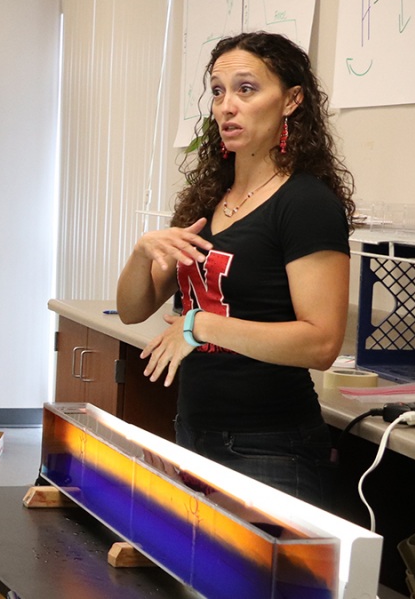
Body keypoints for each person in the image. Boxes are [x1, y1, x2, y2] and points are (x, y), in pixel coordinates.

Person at [116, 31, 354, 505]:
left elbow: (322, 341)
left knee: (252, 582)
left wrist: (201, 325)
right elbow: (132, 309)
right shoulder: (209, 198)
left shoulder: (305, 203)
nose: (227, 106)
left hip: (271, 446)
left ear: (291, 100)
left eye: (247, 89)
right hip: (195, 431)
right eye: (219, 91)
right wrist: (142, 252)